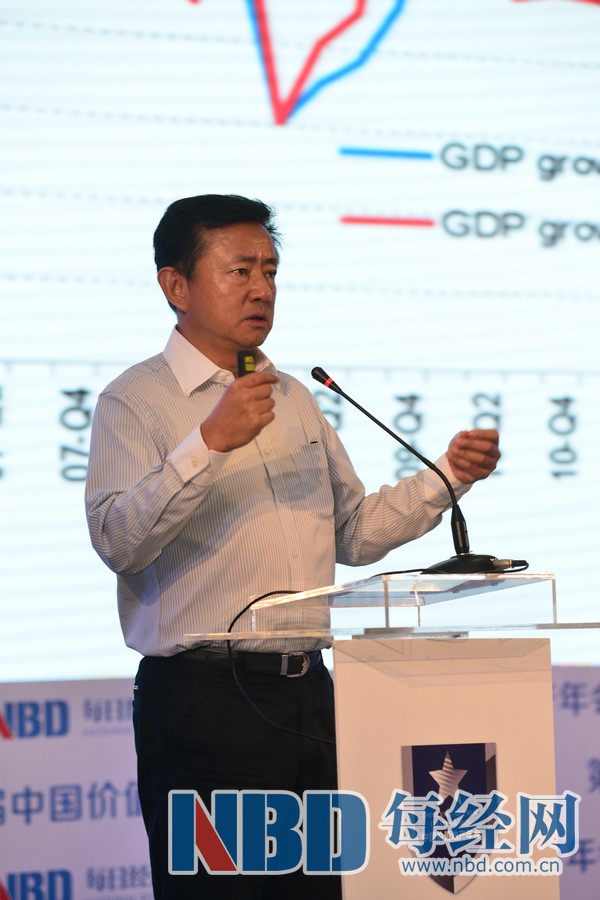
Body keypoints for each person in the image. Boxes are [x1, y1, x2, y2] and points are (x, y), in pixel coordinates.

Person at [85, 194, 500, 899]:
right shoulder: (135, 400)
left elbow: (354, 533)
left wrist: (447, 477)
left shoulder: (294, 398)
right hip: (205, 703)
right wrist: (209, 442)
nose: (261, 289)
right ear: (176, 285)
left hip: (311, 696)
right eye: (239, 270)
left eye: (270, 271)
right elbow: (119, 541)